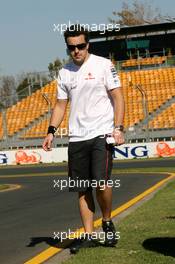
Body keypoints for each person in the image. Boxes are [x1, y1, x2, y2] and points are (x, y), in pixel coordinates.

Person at [42, 24, 125, 254]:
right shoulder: (64, 72)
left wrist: (118, 127)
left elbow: (118, 97)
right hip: (77, 137)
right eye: (71, 47)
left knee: (101, 183)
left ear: (88, 44)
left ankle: (107, 221)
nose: (76, 51)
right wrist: (51, 131)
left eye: (80, 46)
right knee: (82, 188)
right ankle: (89, 235)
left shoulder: (103, 65)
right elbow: (60, 105)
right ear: (67, 48)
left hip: (102, 134)